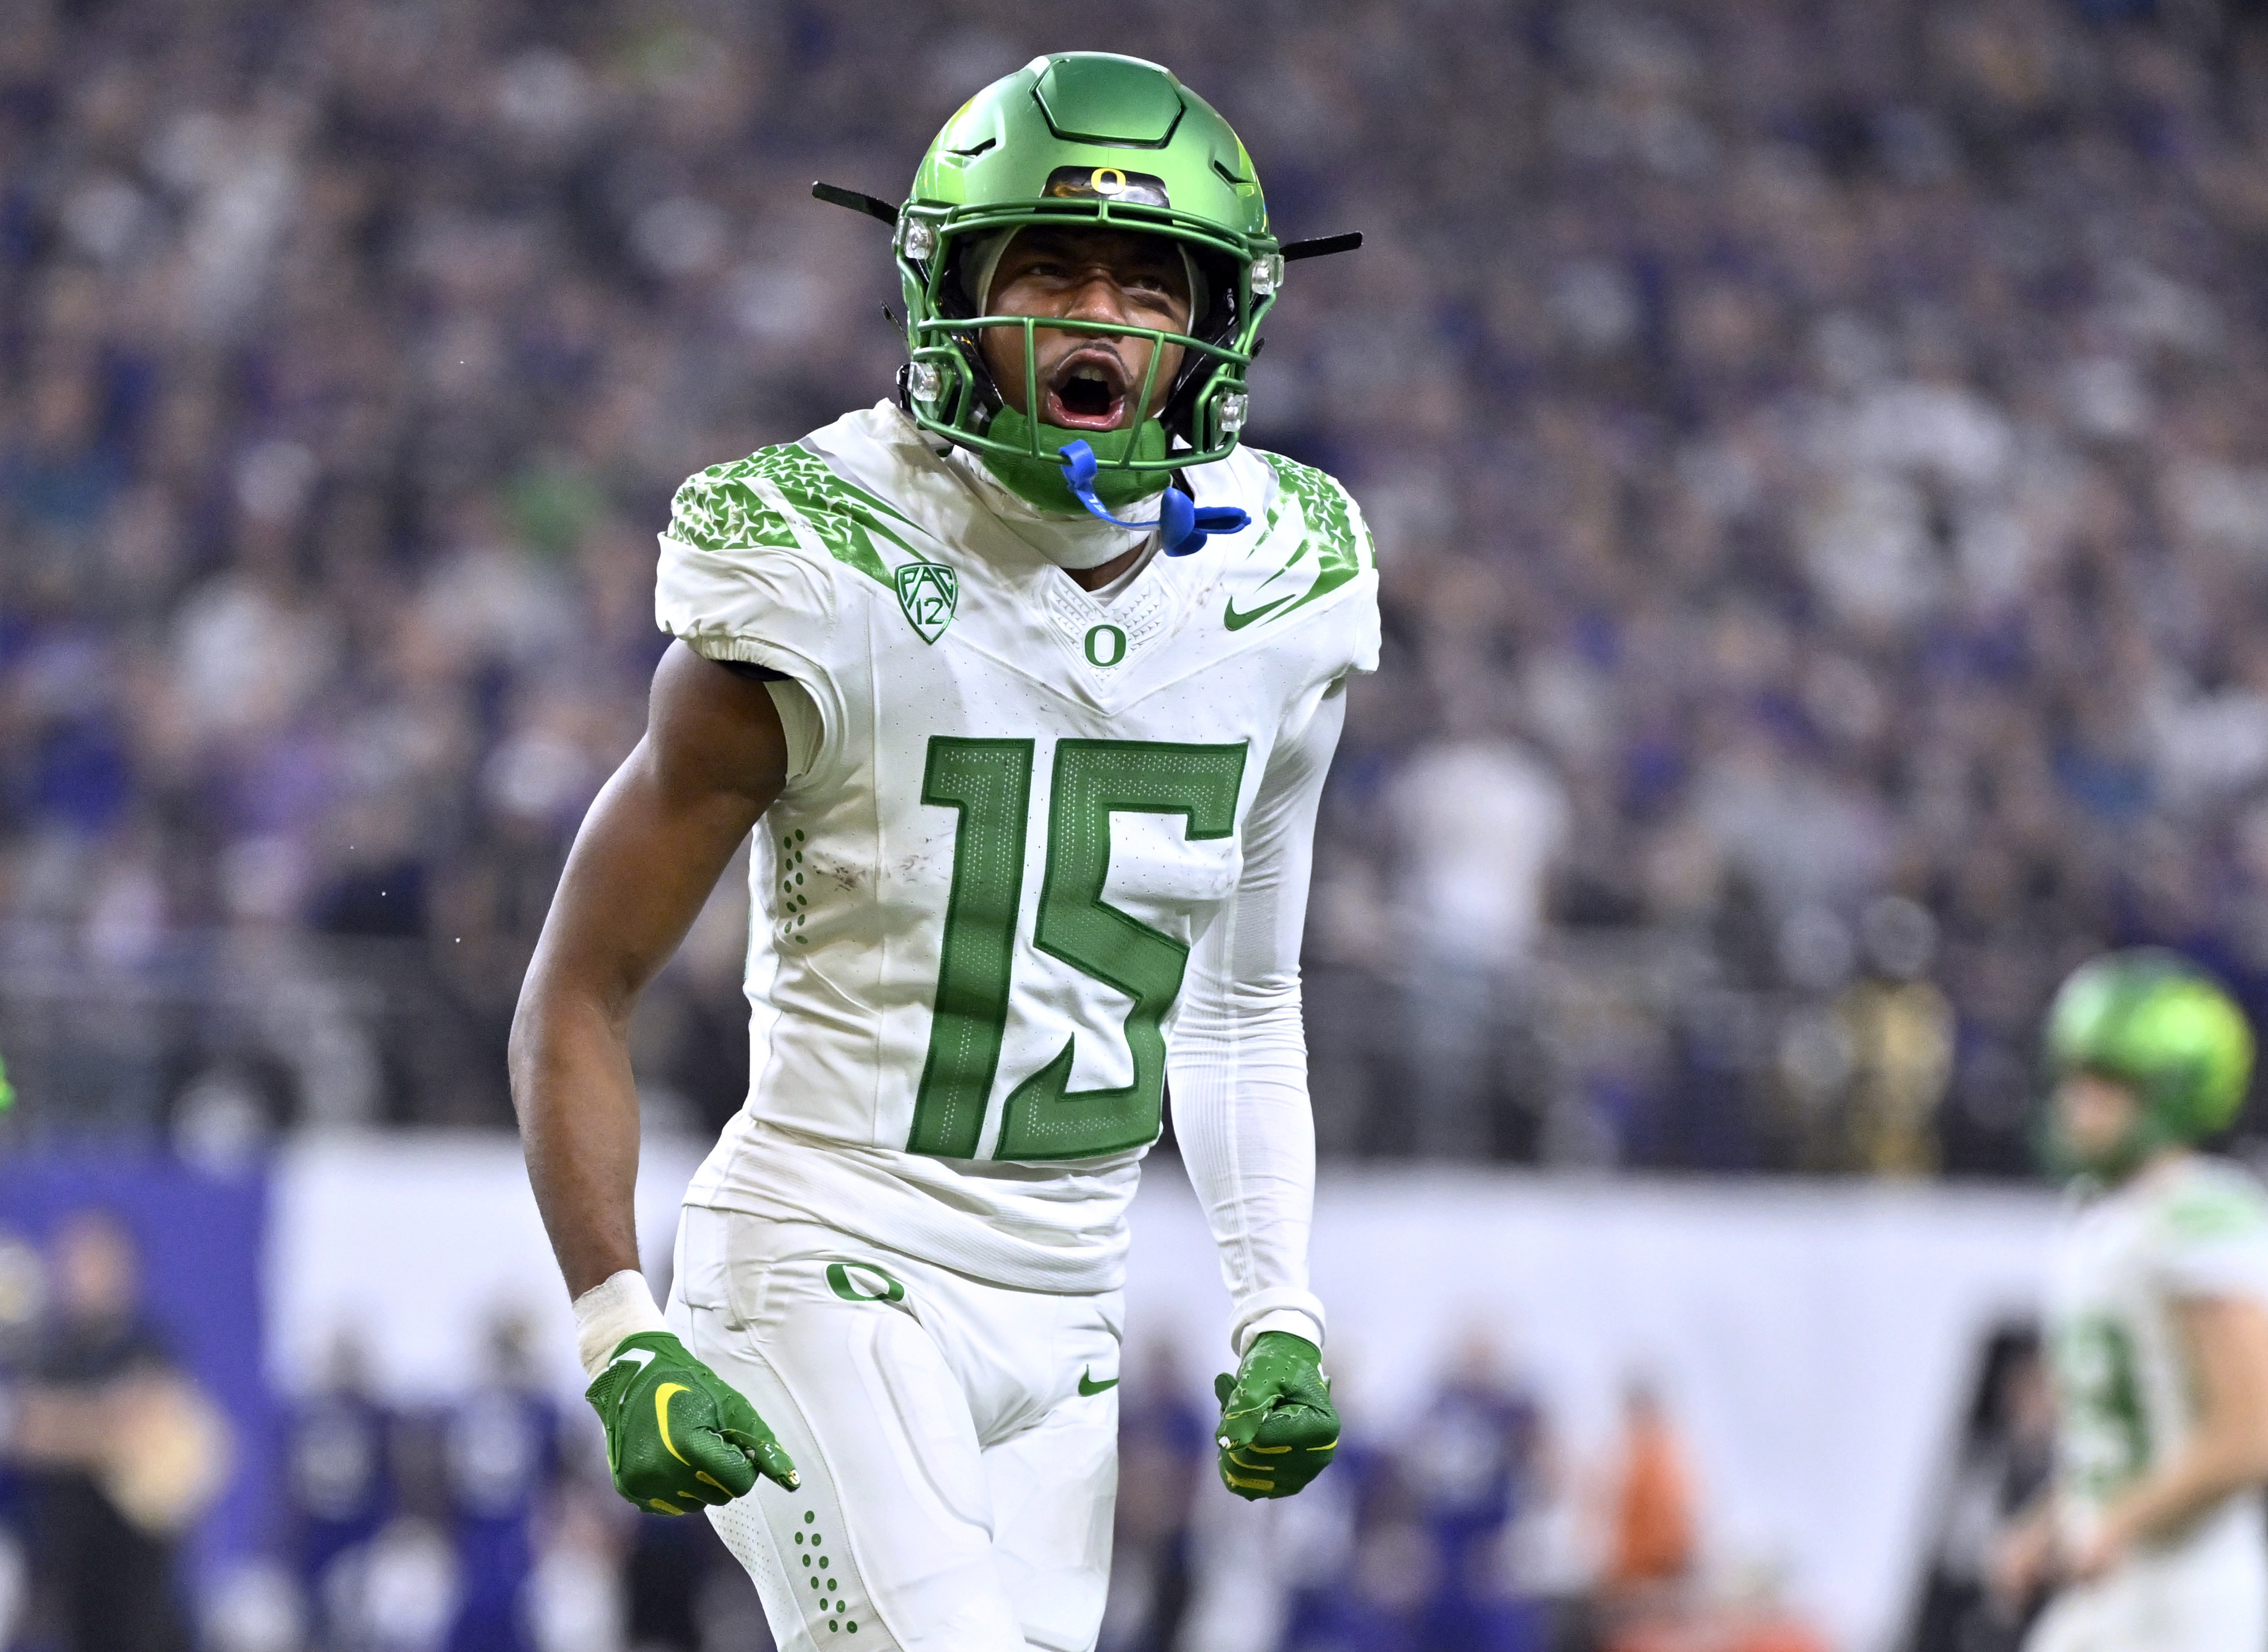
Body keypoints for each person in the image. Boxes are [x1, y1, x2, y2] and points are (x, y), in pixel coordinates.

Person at [510, 51, 1374, 1651]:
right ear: (954, 291)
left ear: (1211, 324)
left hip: (1072, 1312)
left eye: (1145, 279)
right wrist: (617, 1322)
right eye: (1048, 265)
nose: (1099, 313)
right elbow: (582, 984)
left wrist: (1278, 1301)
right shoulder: (824, 555)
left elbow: (1241, 1001)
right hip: (831, 1255)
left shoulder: (1283, 580)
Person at [1991, 949, 2268, 1652]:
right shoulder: (2102, 1217)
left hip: (2187, 1592)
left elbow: (2249, 1431)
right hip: (2116, 1587)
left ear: (2169, 1091)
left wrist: (2116, 1521)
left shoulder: (2199, 1212)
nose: (2074, 1102)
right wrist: (2053, 1520)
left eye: (2103, 1082)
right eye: (2074, 1078)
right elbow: (2124, 1439)